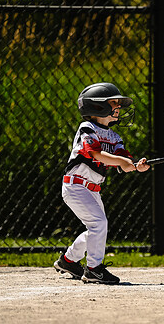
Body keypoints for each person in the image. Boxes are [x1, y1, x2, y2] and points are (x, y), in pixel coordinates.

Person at [54, 82, 150, 284]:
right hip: (76, 185)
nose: (118, 108)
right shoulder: (87, 129)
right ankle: (93, 270)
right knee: (99, 224)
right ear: (97, 106)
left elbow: (123, 161)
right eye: (114, 103)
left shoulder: (114, 136)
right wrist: (122, 162)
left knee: (95, 228)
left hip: (92, 189)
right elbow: (96, 153)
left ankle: (68, 260)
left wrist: (135, 165)